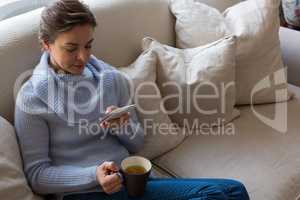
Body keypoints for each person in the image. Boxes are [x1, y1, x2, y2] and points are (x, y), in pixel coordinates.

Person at [14, 0, 250, 200]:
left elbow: (137, 144)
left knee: (235, 190)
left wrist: (123, 126)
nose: (83, 57)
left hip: (130, 181)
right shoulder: (31, 99)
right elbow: (37, 175)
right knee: (213, 194)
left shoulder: (111, 79)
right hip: (83, 191)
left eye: (88, 45)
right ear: (46, 45)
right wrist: (92, 175)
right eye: (71, 48)